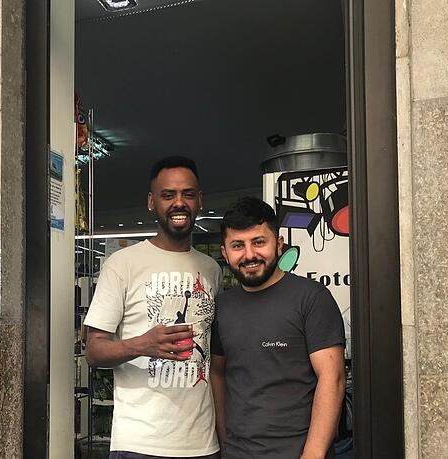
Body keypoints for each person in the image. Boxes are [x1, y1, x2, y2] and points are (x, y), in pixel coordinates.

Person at [84, 156, 222, 459]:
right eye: (168, 195)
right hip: (139, 444)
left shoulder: (211, 269)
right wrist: (143, 344)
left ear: (199, 200)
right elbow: (93, 351)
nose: (179, 203)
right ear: (151, 202)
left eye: (187, 194)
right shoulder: (122, 264)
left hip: (203, 445)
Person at [210, 197, 345, 459]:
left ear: (279, 244)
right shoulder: (223, 306)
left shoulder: (311, 298)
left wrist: (313, 454)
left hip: (298, 452)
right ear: (225, 253)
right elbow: (218, 373)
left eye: (259, 242)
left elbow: (333, 378)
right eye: (238, 245)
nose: (249, 254)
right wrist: (226, 441)